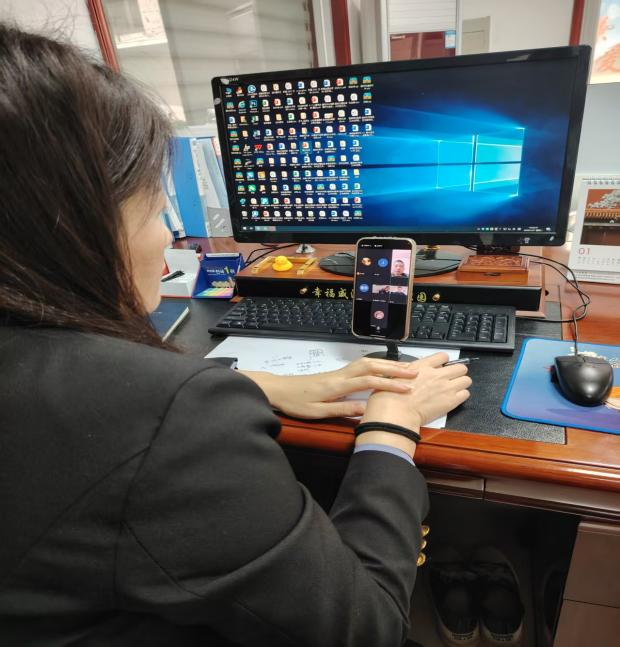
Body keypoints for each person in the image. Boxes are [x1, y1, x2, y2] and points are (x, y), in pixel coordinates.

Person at [0, 24, 471, 647]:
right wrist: (392, 426)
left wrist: (254, 382)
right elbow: (367, 627)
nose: (170, 238)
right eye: (155, 208)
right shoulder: (169, 418)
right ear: (73, 222)